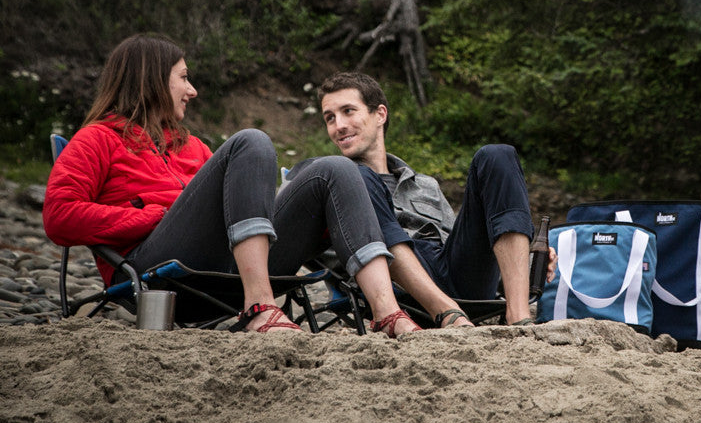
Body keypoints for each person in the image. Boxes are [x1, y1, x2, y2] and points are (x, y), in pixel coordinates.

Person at [43, 33, 423, 336]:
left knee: (336, 169)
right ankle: (259, 305)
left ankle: (388, 313)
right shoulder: (98, 139)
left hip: (225, 274)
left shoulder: (192, 148)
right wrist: (153, 217)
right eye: (184, 77)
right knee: (252, 141)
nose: (192, 91)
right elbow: (59, 216)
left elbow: (235, 211)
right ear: (152, 80)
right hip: (157, 275)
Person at [294, 71, 554, 328]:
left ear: (380, 114)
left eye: (348, 111)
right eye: (330, 118)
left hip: (454, 274)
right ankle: (447, 312)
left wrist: (525, 261)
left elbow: (465, 247)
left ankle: (519, 316)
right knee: (355, 173)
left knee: (497, 155)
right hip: (398, 290)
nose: (338, 125)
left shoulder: (425, 185)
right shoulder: (329, 183)